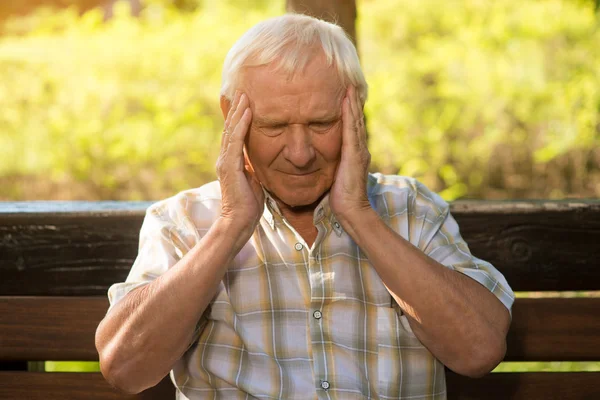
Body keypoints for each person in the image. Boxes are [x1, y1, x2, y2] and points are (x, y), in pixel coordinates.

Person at [95, 13, 514, 400]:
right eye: (274, 126)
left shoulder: (412, 208)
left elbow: (479, 351)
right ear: (231, 117)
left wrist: (359, 215)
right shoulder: (183, 221)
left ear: (356, 114)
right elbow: (125, 367)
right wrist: (229, 227)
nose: (299, 153)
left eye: (321, 124)